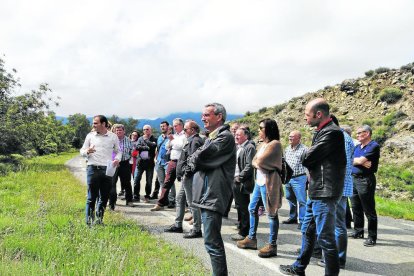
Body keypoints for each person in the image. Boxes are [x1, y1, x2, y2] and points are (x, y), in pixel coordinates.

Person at [279, 98, 346, 276]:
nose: (305, 118)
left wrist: (307, 154)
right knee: (308, 231)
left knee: (326, 238)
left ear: (319, 114)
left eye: (307, 115)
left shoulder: (332, 133)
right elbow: (311, 157)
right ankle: (299, 268)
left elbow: (307, 158)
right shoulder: (322, 131)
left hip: (325, 192)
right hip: (317, 191)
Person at [187, 103, 236, 276]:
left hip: (212, 195)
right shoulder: (212, 137)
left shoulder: (225, 138)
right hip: (207, 195)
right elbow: (193, 156)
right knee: (210, 242)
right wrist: (195, 157)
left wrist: (195, 158)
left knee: (212, 243)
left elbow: (200, 156)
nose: (203, 118)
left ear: (219, 116)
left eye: (207, 115)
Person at [237, 118, 283, 258]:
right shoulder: (263, 144)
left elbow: (260, 161)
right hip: (260, 181)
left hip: (269, 182)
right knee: (252, 208)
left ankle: (272, 245)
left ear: (268, 129)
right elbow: (254, 161)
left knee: (271, 213)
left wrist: (257, 162)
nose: (259, 130)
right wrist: (257, 162)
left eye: (261, 128)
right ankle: (251, 238)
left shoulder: (275, 144)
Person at [164, 120, 204, 238]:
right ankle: (178, 225)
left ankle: (197, 229)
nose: (184, 131)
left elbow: (193, 160)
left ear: (192, 130)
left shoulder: (195, 141)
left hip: (190, 177)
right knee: (179, 199)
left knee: (192, 203)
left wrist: (186, 172)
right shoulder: (191, 140)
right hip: (186, 176)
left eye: (185, 129)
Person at [80, 115, 121, 225]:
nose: (93, 125)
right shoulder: (90, 136)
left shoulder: (113, 137)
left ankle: (99, 221)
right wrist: (87, 151)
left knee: (104, 198)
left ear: (103, 124)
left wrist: (117, 159)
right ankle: (89, 223)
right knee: (91, 198)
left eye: (95, 123)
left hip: (107, 170)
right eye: (93, 123)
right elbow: (82, 150)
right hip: (93, 169)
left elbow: (119, 151)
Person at [349, 125, 380, 247]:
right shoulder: (357, 147)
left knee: (369, 209)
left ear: (367, 133)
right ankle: (358, 231)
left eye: (359, 133)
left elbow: (360, 161)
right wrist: (359, 161)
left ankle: (372, 237)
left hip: (365, 180)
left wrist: (359, 161)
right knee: (355, 207)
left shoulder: (373, 146)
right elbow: (351, 159)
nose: (357, 135)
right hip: (354, 179)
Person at [151, 118, 186, 211]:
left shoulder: (185, 135)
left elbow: (181, 146)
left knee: (185, 184)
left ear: (181, 125)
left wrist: (172, 141)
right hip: (172, 161)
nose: (174, 127)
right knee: (167, 182)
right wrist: (171, 141)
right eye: (173, 125)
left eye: (176, 125)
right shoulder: (174, 136)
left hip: (182, 162)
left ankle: (185, 205)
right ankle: (160, 203)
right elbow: (167, 146)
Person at [230, 127, 256, 241]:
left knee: (244, 207)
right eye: (235, 134)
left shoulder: (249, 147)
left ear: (246, 136)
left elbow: (249, 165)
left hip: (241, 182)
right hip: (235, 180)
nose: (236, 136)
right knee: (239, 206)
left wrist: (239, 178)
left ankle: (244, 231)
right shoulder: (238, 147)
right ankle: (242, 227)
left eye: (238, 135)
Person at [283, 130, 308, 230]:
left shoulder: (304, 149)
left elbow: (308, 164)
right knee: (289, 198)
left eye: (292, 137)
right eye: (289, 136)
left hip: (299, 178)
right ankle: (293, 217)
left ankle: (302, 221)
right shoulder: (287, 148)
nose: (290, 138)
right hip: (288, 178)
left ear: (299, 138)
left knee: (302, 200)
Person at [109, 124, 134, 210]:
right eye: (117, 130)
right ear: (114, 131)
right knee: (112, 183)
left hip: (124, 164)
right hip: (113, 164)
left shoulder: (129, 140)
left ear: (124, 131)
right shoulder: (111, 140)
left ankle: (129, 200)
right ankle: (112, 202)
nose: (118, 132)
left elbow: (132, 152)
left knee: (127, 183)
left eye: (120, 130)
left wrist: (127, 160)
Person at [133, 125, 157, 203]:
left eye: (147, 129)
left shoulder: (155, 139)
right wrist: (146, 147)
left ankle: (147, 196)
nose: (145, 131)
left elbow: (153, 146)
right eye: (144, 129)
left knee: (149, 181)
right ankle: (136, 196)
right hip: (140, 163)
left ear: (150, 130)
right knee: (136, 179)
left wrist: (146, 141)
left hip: (149, 164)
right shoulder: (140, 138)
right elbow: (137, 147)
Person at [153, 121, 170, 200]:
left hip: (167, 162)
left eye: (164, 126)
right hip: (159, 162)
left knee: (169, 182)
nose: (162, 127)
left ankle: (171, 199)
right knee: (161, 182)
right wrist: (155, 159)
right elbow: (158, 149)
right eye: (161, 126)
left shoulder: (171, 136)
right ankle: (164, 198)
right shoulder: (159, 137)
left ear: (168, 127)